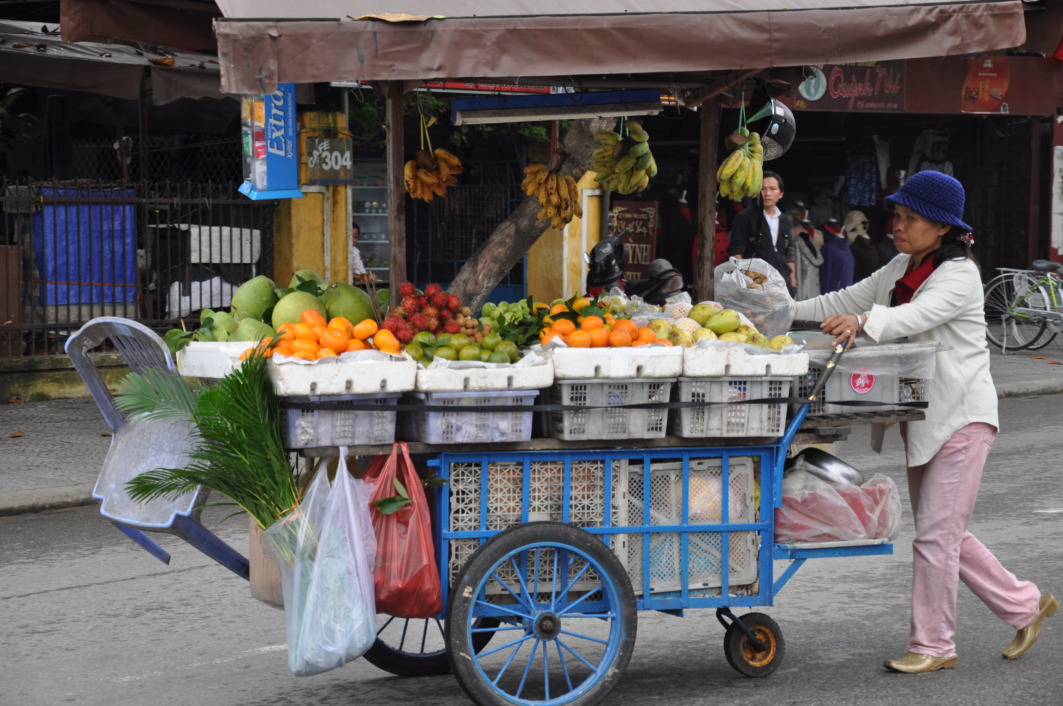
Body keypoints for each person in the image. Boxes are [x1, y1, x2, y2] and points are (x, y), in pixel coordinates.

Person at [794, 170, 1057, 674]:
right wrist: (776, 311)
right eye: (898, 215)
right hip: (925, 418)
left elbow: (914, 317)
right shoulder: (900, 265)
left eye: (911, 218)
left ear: (941, 227)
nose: (899, 224)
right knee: (946, 533)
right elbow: (842, 301)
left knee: (937, 536)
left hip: (961, 417)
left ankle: (934, 645)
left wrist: (866, 323)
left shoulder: (958, 276)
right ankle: (1025, 605)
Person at [727, 171, 796, 293]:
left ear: (781, 194)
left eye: (772, 189)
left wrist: (792, 283)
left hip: (783, 283)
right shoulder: (744, 217)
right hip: (756, 285)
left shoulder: (784, 219)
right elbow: (736, 253)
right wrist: (747, 283)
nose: (767, 194)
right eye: (762, 189)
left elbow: (790, 253)